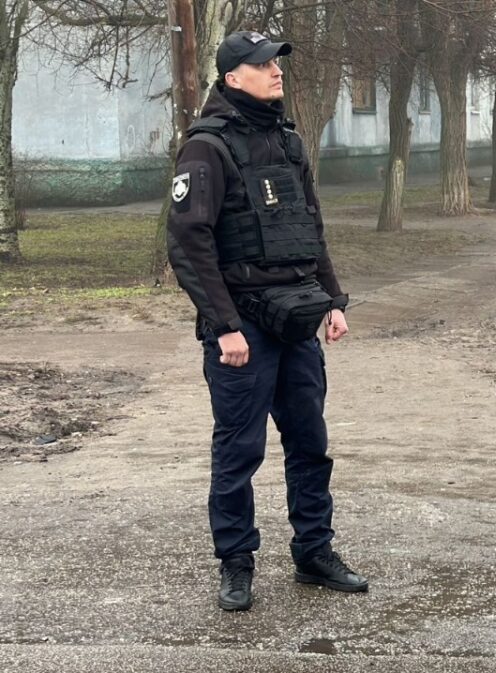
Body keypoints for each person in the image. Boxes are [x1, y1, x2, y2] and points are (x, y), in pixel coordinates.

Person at [166, 30, 368, 612]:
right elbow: (189, 243)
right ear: (233, 78)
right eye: (261, 64)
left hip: (297, 316)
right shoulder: (207, 147)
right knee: (239, 451)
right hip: (243, 329)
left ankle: (314, 553)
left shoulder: (288, 140)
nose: (275, 71)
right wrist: (224, 325)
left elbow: (309, 228)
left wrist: (332, 300)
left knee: (310, 443)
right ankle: (236, 562)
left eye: (276, 62)